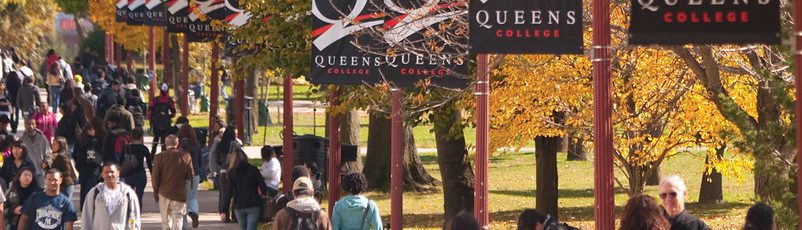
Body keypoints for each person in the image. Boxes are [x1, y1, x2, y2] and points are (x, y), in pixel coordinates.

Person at [81, 162, 141, 230]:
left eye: (112, 172)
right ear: (102, 175)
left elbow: (134, 217)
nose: (109, 175)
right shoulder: (94, 193)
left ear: (118, 173)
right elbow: (86, 218)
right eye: (106, 172)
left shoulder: (128, 194)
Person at [152, 135, 194, 230]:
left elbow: (155, 178)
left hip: (164, 192)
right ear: (177, 144)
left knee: (165, 220)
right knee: (178, 217)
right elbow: (190, 176)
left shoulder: (159, 157)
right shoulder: (186, 156)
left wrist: (156, 192)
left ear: (165, 144)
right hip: (179, 192)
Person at [225, 149, 267, 230]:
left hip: (239, 205)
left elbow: (228, 192)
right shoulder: (254, 170)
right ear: (245, 157)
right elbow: (263, 187)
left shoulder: (231, 173)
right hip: (254, 204)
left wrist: (224, 210)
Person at [74, 118, 104, 209]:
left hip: (82, 168)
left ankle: (83, 205)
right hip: (93, 168)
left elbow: (74, 154)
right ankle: (89, 205)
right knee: (91, 188)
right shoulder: (94, 141)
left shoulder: (79, 141)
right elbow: (99, 154)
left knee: (83, 187)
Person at [177, 124, 201, 228]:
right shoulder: (196, 144)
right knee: (192, 196)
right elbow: (200, 161)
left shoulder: (178, 144)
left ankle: (184, 223)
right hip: (194, 173)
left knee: (181, 199)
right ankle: (193, 211)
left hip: (180, 174)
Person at [122, 128, 152, 209]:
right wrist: (153, 176)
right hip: (140, 174)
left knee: (128, 196)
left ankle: (129, 213)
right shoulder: (144, 148)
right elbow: (149, 164)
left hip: (129, 174)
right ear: (141, 137)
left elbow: (121, 161)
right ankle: (137, 214)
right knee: (139, 197)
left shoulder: (126, 148)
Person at [21, 118, 50, 188]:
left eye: (33, 124)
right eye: (29, 124)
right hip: (27, 169)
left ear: (36, 125)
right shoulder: (23, 139)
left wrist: (46, 162)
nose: (31, 126)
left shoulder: (42, 138)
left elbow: (48, 152)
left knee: (42, 188)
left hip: (39, 168)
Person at [149, 83, 176, 156]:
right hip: (166, 124)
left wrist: (152, 119)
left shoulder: (155, 100)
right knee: (164, 141)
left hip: (156, 123)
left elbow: (150, 111)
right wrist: (169, 116)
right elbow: (173, 113)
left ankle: (152, 155)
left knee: (155, 139)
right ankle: (164, 155)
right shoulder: (170, 101)